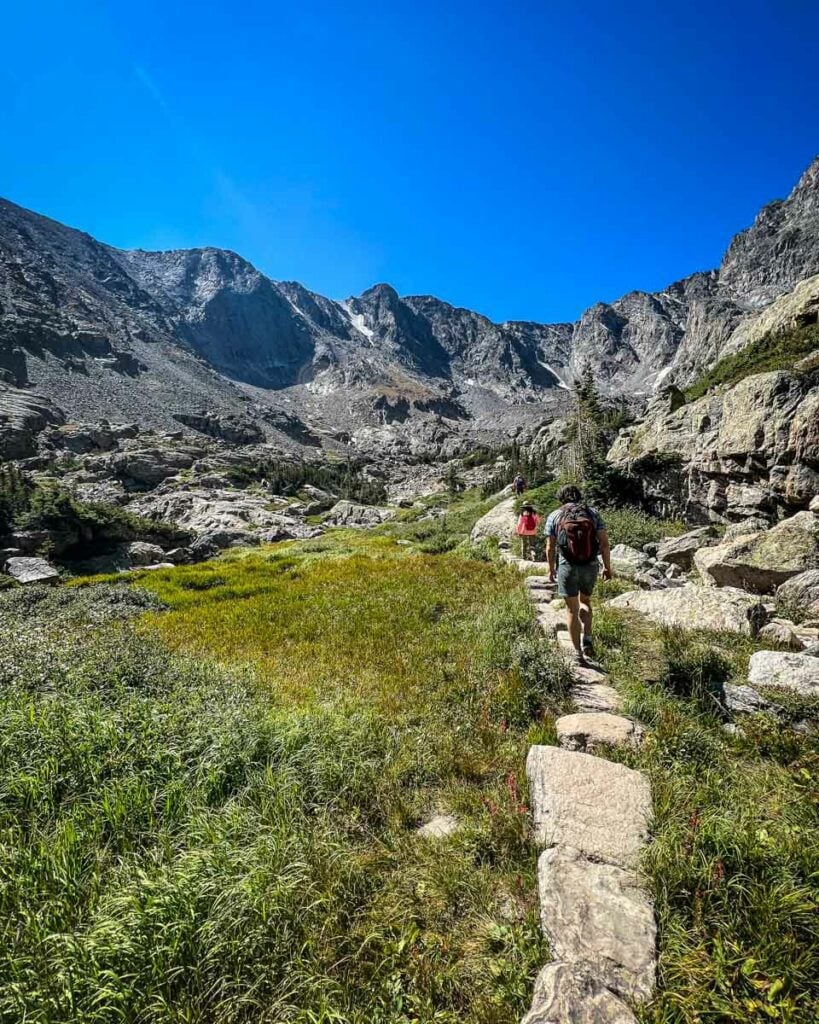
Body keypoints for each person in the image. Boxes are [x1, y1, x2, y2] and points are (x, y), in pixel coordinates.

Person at [544, 485, 612, 665]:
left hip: (567, 565)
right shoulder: (592, 513)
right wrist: (607, 567)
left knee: (572, 610)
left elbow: (550, 547)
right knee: (586, 602)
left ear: (561, 498)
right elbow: (604, 543)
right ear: (578, 496)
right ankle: (587, 638)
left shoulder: (555, 515)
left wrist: (551, 569)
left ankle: (577, 654)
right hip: (590, 564)